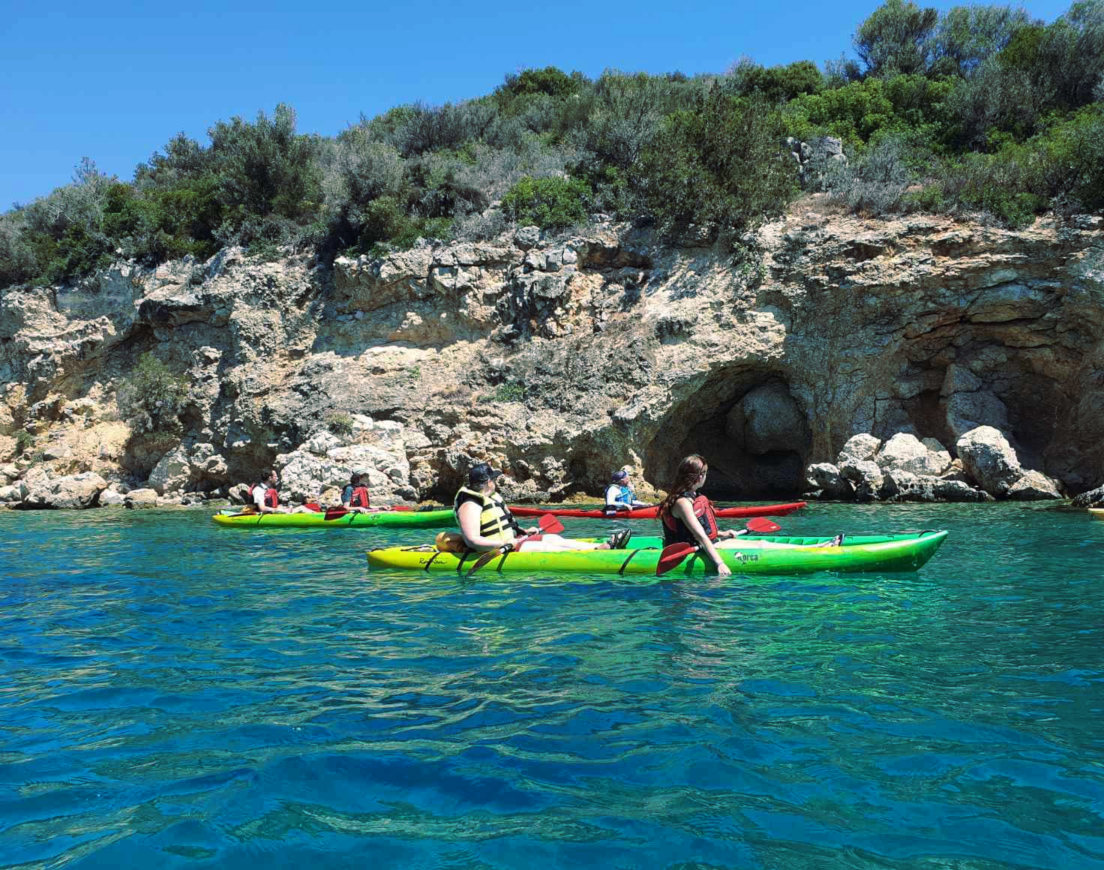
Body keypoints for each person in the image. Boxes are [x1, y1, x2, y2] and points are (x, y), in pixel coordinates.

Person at [455, 462, 632, 553]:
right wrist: (505, 543)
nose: (495, 482)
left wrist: (523, 532)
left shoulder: (489, 497)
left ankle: (599, 547)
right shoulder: (470, 504)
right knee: (545, 547)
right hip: (498, 550)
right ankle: (597, 553)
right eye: (493, 479)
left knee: (553, 538)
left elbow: (504, 526)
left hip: (513, 543)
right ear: (488, 482)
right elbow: (472, 541)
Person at [242, 470, 314, 515]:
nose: (277, 478)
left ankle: (319, 516)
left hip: (272, 513)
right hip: (262, 515)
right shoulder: (258, 490)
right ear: (270, 478)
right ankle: (320, 520)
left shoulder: (269, 490)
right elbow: (262, 508)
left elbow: (276, 505)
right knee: (301, 509)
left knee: (301, 508)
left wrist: (285, 508)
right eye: (275, 476)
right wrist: (278, 510)